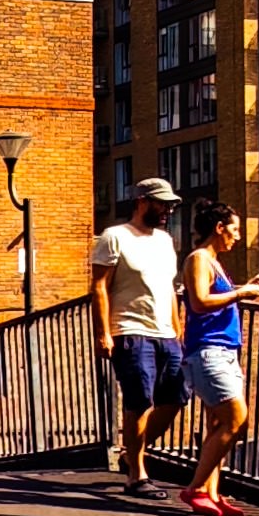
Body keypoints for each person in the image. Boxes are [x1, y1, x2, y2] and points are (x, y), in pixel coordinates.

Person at [175, 200, 259, 516]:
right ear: (219, 228)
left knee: (218, 426)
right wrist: (241, 293)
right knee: (236, 419)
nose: (237, 236)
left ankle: (212, 494)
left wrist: (245, 288)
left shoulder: (214, 262)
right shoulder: (198, 259)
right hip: (208, 352)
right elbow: (200, 302)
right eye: (234, 229)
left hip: (225, 352)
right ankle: (195, 489)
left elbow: (216, 298)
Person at [91, 177, 184, 496]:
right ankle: (137, 475)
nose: (167, 210)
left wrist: (177, 328)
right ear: (142, 201)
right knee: (140, 401)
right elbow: (99, 287)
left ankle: (131, 453)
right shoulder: (114, 236)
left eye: (170, 206)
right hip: (130, 331)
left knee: (175, 398)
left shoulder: (165, 241)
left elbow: (169, 288)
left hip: (166, 334)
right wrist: (103, 333)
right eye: (162, 204)